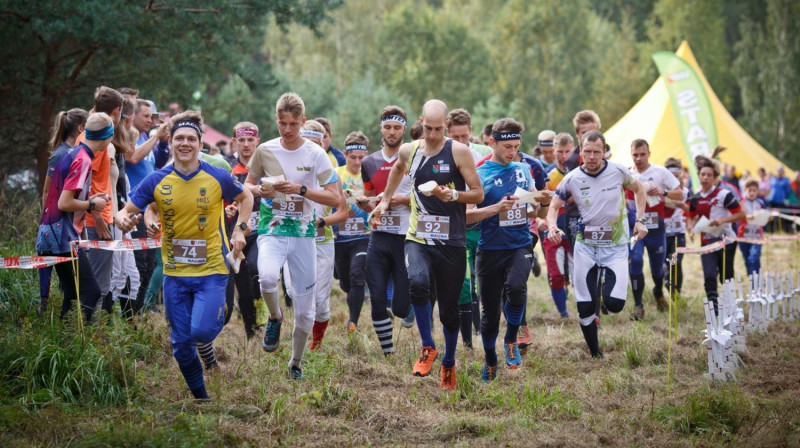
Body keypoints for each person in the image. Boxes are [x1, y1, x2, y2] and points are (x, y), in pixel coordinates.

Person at [115, 110, 251, 400]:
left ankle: (217, 319)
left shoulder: (217, 176)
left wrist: (240, 229)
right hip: (175, 273)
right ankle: (201, 397)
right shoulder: (157, 180)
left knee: (201, 332)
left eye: (191, 138)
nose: (185, 143)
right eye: (180, 138)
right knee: (180, 343)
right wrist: (125, 220)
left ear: (200, 144)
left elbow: (246, 196)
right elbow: (127, 211)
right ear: (171, 141)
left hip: (212, 270)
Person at [373, 99, 483, 389]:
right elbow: (397, 168)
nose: (432, 134)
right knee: (418, 283)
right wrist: (385, 200)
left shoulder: (459, 151)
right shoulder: (410, 150)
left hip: (452, 241)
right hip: (418, 236)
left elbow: (478, 194)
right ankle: (427, 346)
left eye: (438, 129)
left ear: (446, 125)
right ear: (421, 122)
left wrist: (454, 196)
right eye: (428, 128)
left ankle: (448, 362)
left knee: (448, 308)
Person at [245, 93, 340, 380]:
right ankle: (274, 317)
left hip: (303, 234)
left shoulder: (315, 153)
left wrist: (299, 190)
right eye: (283, 123)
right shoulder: (264, 150)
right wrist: (260, 191)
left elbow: (335, 199)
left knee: (305, 313)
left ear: (303, 120)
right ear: (276, 120)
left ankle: (296, 363)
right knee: (268, 277)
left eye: (294, 124)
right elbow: (246, 187)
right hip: (271, 229)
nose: (288, 130)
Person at [545, 130, 648, 358]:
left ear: (604, 152)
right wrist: (552, 226)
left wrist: (640, 220)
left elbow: (640, 190)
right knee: (584, 306)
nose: (591, 156)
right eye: (587, 151)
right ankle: (595, 353)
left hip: (615, 247)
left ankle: (604, 293)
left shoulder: (619, 171)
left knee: (614, 304)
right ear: (580, 151)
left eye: (596, 152)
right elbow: (553, 207)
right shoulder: (572, 178)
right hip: (586, 248)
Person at [466, 118, 550, 381]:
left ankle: (511, 340)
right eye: (507, 147)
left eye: (516, 146)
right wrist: (496, 208)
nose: (512, 152)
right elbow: (466, 217)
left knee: (516, 288)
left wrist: (543, 203)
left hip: (520, 243)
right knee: (489, 314)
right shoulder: (479, 174)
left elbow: (536, 209)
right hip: (490, 248)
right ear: (492, 142)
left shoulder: (524, 170)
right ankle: (490, 359)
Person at [36, 112, 112, 322]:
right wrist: (91, 205)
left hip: (54, 232)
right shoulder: (83, 159)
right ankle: (77, 346)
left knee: (72, 293)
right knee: (91, 292)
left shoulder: (75, 153)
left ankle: (64, 344)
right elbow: (64, 203)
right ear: (107, 137)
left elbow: (63, 195)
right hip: (62, 236)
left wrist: (91, 198)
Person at [357, 106, 413, 356]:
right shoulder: (369, 162)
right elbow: (371, 199)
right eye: (388, 127)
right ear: (381, 127)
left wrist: (401, 200)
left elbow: (426, 197)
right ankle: (388, 352)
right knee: (377, 297)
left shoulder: (415, 157)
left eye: (397, 127)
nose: (392, 132)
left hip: (406, 236)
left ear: (404, 129)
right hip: (378, 237)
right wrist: (364, 203)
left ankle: (410, 307)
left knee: (400, 307)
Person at [74, 87, 123, 318]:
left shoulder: (86, 136)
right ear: (117, 111)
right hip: (97, 220)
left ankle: (90, 332)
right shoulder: (97, 142)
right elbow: (86, 184)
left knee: (99, 281)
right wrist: (98, 218)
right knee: (98, 283)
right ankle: (88, 336)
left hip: (99, 216)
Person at [298, 120, 347, 350]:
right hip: (295, 241)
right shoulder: (291, 172)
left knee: (320, 301)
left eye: (316, 143)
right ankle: (299, 336)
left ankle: (315, 345)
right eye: (307, 142)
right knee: (296, 295)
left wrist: (322, 221)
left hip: (322, 242)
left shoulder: (332, 174)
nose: (311, 148)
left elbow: (343, 213)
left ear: (324, 145)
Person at [446, 108, 492, 345]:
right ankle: (467, 342)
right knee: (464, 284)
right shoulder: (441, 156)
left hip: (483, 227)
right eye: (455, 138)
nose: (461, 142)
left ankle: (482, 330)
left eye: (464, 137)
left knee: (484, 282)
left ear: (471, 132)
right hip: (458, 228)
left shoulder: (485, 154)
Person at [626, 139, 683, 321]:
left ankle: (658, 292)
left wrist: (663, 192)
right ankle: (638, 306)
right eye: (635, 154)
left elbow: (680, 194)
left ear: (649, 153)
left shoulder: (660, 172)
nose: (639, 158)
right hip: (635, 229)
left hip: (656, 230)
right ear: (631, 154)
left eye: (642, 154)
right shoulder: (626, 174)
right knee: (635, 261)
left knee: (657, 271)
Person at [38, 108, 88, 313]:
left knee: (71, 285)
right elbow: (47, 192)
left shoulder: (75, 153)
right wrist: (48, 221)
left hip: (66, 226)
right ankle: (54, 324)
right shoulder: (61, 154)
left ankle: (62, 325)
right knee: (64, 283)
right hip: (58, 228)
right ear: (80, 129)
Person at [684, 155, 745, 313]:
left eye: (709, 175)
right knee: (709, 275)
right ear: (698, 176)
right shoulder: (695, 197)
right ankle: (714, 311)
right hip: (707, 242)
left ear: (715, 177)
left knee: (725, 277)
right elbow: (690, 216)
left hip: (726, 241)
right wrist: (690, 229)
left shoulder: (724, 194)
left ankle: (729, 307)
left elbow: (741, 215)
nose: (705, 178)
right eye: (702, 174)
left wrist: (722, 220)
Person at [223, 121, 263, 339]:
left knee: (258, 270)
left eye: (250, 140)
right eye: (242, 140)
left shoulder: (267, 167)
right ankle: (251, 330)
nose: (246, 145)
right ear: (234, 142)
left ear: (257, 142)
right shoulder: (227, 169)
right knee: (243, 283)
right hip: (236, 231)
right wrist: (227, 209)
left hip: (261, 231)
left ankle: (264, 314)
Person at [333, 131, 371, 332]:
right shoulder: (336, 173)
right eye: (353, 157)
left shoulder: (370, 173)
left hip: (363, 235)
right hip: (340, 236)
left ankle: (352, 322)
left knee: (358, 275)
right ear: (345, 155)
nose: (357, 162)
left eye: (361, 158)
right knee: (346, 284)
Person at [539, 133, 575, 319]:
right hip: (553, 231)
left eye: (567, 151)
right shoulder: (548, 176)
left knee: (582, 276)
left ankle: (589, 311)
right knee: (555, 276)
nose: (563, 156)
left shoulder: (581, 173)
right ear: (554, 151)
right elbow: (541, 203)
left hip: (576, 231)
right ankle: (564, 314)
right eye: (559, 151)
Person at [663, 158, 689, 299]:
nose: (674, 177)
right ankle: (666, 278)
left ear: (681, 174)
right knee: (665, 261)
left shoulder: (685, 191)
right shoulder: (661, 191)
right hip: (663, 233)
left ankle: (676, 292)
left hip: (679, 232)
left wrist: (685, 208)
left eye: (676, 174)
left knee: (676, 262)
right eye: (670, 174)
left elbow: (692, 210)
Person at [738, 179, 766, 276]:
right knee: (747, 259)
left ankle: (755, 283)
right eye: (750, 190)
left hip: (757, 235)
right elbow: (737, 216)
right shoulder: (742, 202)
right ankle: (752, 277)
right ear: (745, 190)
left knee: (754, 258)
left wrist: (768, 217)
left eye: (754, 190)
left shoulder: (761, 203)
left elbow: (764, 216)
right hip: (743, 235)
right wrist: (747, 217)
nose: (752, 193)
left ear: (758, 191)